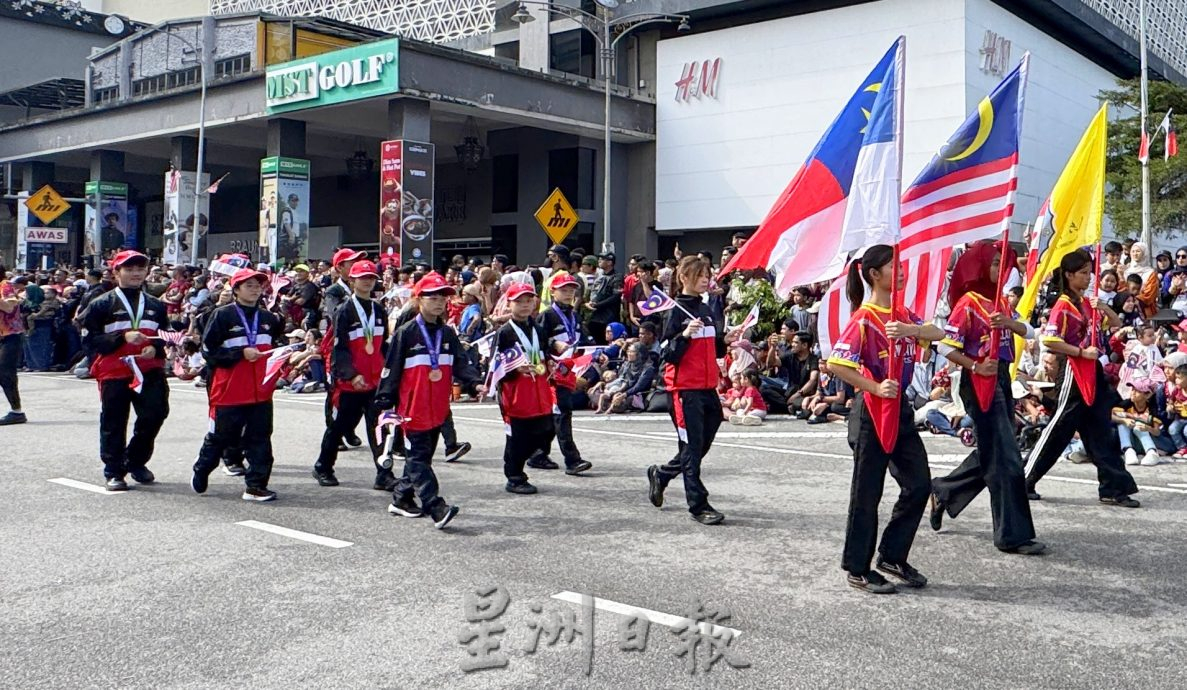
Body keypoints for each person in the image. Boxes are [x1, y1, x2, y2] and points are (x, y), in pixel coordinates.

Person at [827, 244, 945, 594]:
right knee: (867, 492)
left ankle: (892, 555)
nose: (903, 272)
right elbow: (836, 364)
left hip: (901, 411)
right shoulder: (864, 318)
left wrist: (910, 331)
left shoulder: (902, 314)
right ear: (875, 275)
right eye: (894, 266)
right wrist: (875, 387)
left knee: (919, 483)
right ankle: (857, 567)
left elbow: (938, 334)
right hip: (872, 411)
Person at [930, 240, 1045, 555]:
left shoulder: (1002, 303)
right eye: (994, 263)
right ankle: (1012, 535)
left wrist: (1010, 323)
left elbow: (1032, 332)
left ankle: (944, 490)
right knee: (1007, 457)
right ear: (981, 266)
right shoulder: (969, 302)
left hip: (1003, 378)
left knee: (994, 451)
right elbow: (943, 345)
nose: (1000, 269)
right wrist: (975, 364)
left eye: (1001, 264)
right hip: (979, 380)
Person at [1024, 249, 1140, 507]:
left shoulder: (1087, 303)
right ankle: (1023, 478)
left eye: (1090, 273)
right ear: (1069, 275)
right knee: (1059, 429)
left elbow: (1115, 325)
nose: (1089, 278)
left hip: (1092, 371)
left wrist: (1105, 307)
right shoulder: (1063, 305)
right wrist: (1080, 352)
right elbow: (1050, 339)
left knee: (1101, 430)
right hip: (1073, 371)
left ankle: (1113, 486)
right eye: (1083, 273)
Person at [375, 272, 480, 529]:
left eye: (443, 297)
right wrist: (385, 401)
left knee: (420, 458)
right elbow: (391, 368)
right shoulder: (406, 333)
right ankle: (436, 506)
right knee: (419, 458)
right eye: (432, 297)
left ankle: (401, 499)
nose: (439, 302)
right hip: (412, 409)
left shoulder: (447, 333)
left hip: (438, 408)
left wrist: (475, 382)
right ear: (418, 299)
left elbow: (460, 363)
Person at [646, 256, 739, 525]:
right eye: (699, 275)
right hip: (684, 390)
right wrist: (684, 335)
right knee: (691, 447)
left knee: (699, 445)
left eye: (707, 275)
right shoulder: (674, 310)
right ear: (684, 277)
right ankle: (698, 505)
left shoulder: (706, 308)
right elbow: (666, 354)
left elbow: (711, 348)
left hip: (708, 387)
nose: (705, 280)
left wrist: (725, 341)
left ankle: (662, 474)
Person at [79, 250, 170, 491]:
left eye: (140, 269)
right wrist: (122, 337)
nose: (136, 274)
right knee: (114, 420)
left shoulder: (156, 305)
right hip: (114, 370)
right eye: (129, 269)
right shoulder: (101, 303)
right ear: (116, 272)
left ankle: (136, 460)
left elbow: (165, 335)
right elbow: (89, 340)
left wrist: (155, 346)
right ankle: (114, 471)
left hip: (149, 369)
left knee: (156, 413)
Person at [191, 268, 283, 502]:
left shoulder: (268, 318)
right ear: (236, 290)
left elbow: (274, 348)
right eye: (249, 285)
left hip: (260, 391)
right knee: (221, 437)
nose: (254, 290)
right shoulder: (222, 315)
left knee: (261, 438)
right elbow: (209, 351)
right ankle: (202, 468)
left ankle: (256, 486)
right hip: (229, 390)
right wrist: (240, 353)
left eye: (258, 285)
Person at [312, 260, 392, 489]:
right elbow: (340, 347)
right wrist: (351, 374)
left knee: (379, 427)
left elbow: (382, 345)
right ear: (352, 280)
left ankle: (384, 474)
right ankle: (323, 467)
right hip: (350, 383)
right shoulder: (344, 310)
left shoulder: (379, 310)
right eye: (362, 277)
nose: (367, 281)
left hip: (375, 380)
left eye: (371, 277)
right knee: (338, 426)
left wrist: (389, 371)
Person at [496, 282, 557, 494]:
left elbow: (543, 355)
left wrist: (550, 362)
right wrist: (515, 370)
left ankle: (529, 457)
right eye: (519, 301)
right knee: (517, 437)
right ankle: (514, 476)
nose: (524, 305)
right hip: (515, 393)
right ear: (509, 304)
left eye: (528, 301)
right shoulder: (504, 333)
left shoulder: (538, 330)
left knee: (546, 429)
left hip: (539, 389)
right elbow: (494, 367)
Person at [535, 272, 593, 475]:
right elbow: (537, 343)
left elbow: (582, 341)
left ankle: (537, 454)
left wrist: (598, 351)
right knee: (563, 413)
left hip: (569, 372)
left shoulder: (574, 315)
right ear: (553, 292)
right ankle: (572, 460)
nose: (569, 293)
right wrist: (553, 344)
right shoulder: (547, 315)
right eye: (564, 289)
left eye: (571, 289)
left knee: (555, 416)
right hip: (552, 374)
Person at [1113, 377, 1163, 467]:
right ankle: (1128, 451)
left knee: (1139, 426)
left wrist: (1148, 428)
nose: (1133, 393)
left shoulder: (1152, 409)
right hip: (1132, 441)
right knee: (1122, 424)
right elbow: (1110, 415)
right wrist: (1124, 419)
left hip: (1147, 439)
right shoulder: (1126, 404)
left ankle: (1152, 452)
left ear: (1147, 395)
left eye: (1138, 391)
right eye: (1132, 390)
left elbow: (1157, 432)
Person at [0, 267, 25, 425]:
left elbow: (9, 307)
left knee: (5, 372)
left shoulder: (5, 285)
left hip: (10, 336)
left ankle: (17, 412)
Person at [585, 253, 623, 343]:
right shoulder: (599, 276)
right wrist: (588, 303)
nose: (599, 261)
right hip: (594, 316)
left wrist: (598, 305)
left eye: (602, 259)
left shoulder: (617, 276)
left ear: (610, 262)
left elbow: (615, 296)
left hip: (608, 317)